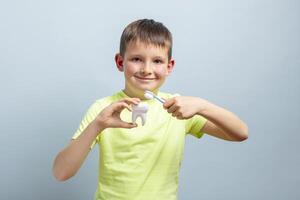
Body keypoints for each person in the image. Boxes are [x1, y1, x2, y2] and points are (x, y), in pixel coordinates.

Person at [52, 19, 248, 200]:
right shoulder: (103, 109)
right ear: (120, 62)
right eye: (137, 59)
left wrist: (202, 106)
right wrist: (98, 125)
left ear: (169, 66)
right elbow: (61, 172)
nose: (146, 69)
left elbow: (240, 133)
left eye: (157, 61)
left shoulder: (179, 108)